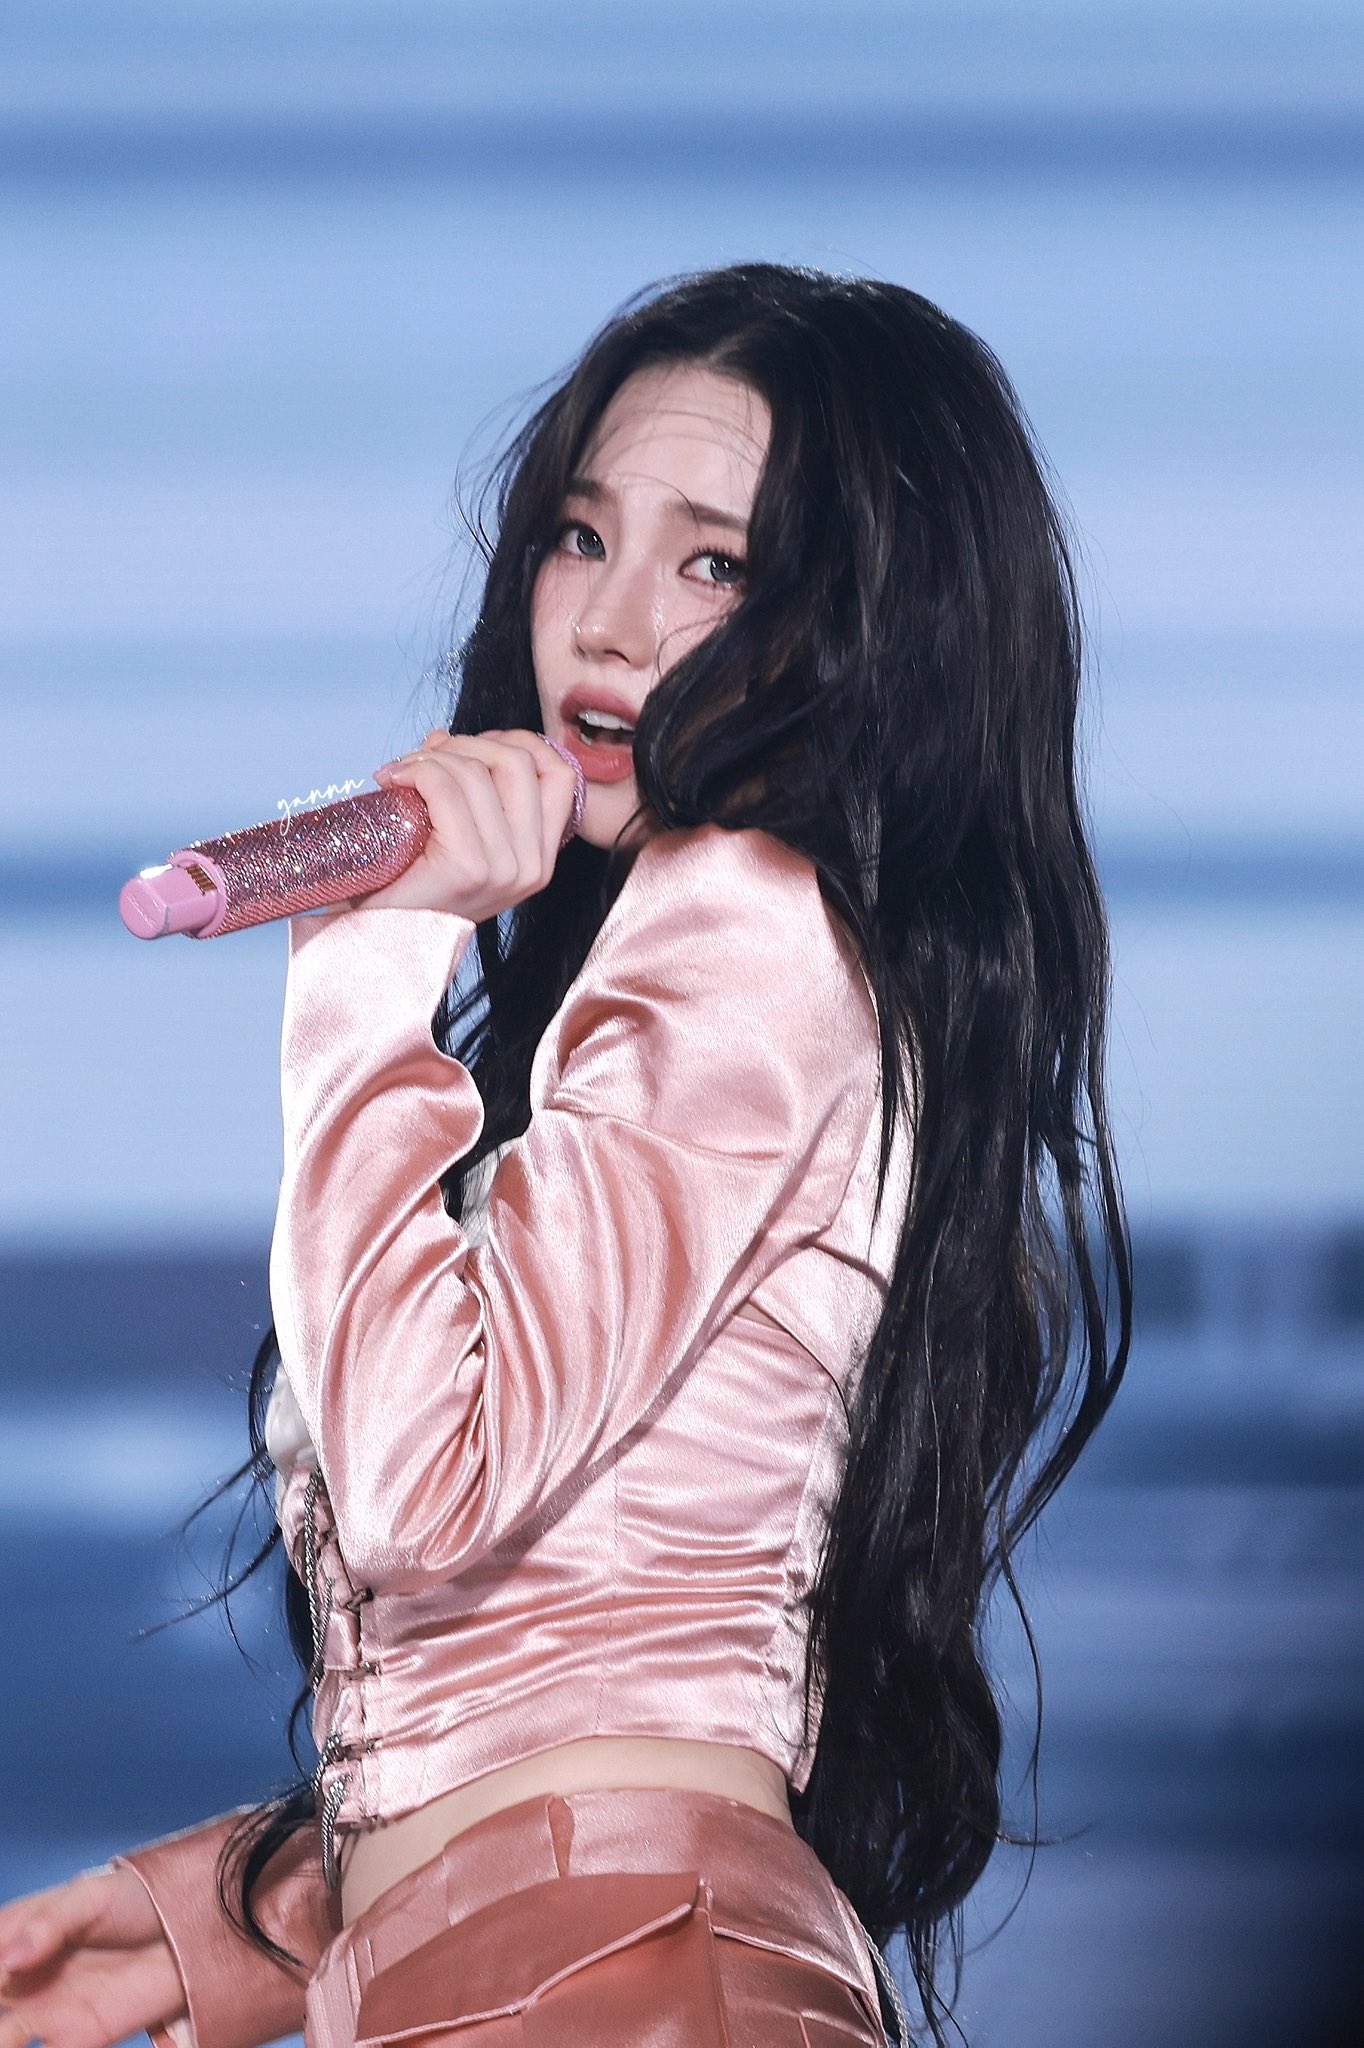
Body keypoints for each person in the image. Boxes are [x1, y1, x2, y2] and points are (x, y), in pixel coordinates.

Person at [0, 263, 1130, 2048]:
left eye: (714, 564)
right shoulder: (723, 962)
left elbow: (426, 1497)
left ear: (865, 630)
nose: (605, 622)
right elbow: (595, 1624)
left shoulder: (743, 921)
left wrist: (372, 957)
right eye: (581, 537)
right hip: (576, 1969)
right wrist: (239, 1913)